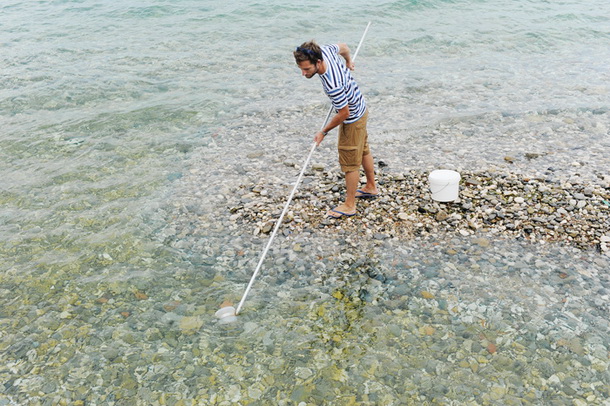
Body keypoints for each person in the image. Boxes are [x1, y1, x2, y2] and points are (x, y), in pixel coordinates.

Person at [294, 40, 378, 218]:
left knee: (350, 162)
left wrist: (323, 132)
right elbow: (345, 46)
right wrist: (348, 61)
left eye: (307, 69)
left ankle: (350, 205)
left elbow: (343, 114)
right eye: (301, 69)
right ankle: (371, 186)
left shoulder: (333, 85)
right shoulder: (325, 51)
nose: (303, 73)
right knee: (363, 149)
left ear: (317, 62)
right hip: (362, 107)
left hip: (353, 117)